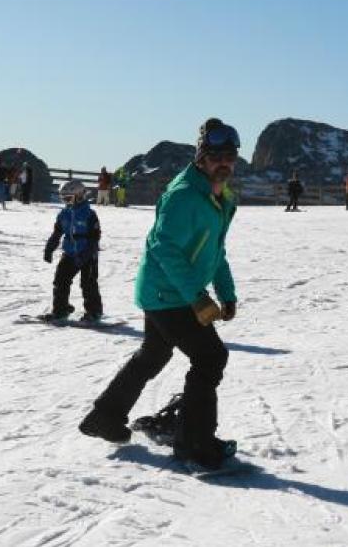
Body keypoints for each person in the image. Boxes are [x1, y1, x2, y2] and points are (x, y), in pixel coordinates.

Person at [79, 118, 241, 472]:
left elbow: (215, 250)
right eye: (216, 156)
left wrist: (226, 293)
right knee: (210, 357)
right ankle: (194, 444)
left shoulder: (219, 196)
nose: (224, 163)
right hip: (167, 293)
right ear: (201, 156)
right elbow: (163, 248)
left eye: (230, 156)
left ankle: (105, 416)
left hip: (173, 291)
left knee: (153, 355)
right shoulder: (184, 195)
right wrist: (197, 296)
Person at [41, 180, 103, 322]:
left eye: (69, 198)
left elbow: (95, 239)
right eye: (64, 199)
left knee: (88, 283)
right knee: (60, 280)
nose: (66, 202)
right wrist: (49, 249)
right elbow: (57, 233)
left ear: (80, 196)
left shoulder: (89, 215)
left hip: (87, 254)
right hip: (69, 253)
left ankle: (94, 312)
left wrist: (86, 255)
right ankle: (61, 310)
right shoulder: (63, 214)